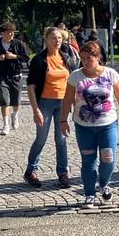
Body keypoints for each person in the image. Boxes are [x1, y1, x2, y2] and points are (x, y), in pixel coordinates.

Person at [61, 40, 119, 207]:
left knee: (108, 158)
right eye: (83, 58)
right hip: (84, 126)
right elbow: (67, 100)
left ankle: (104, 183)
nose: (86, 62)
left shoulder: (110, 74)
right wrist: (63, 120)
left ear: (98, 57)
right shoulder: (75, 76)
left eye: (89, 58)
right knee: (88, 160)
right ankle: (89, 194)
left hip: (107, 124)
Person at [24, 27, 79, 188]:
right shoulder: (39, 60)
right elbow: (31, 87)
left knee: (61, 139)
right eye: (54, 38)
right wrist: (36, 110)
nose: (57, 41)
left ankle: (63, 174)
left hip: (63, 103)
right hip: (45, 103)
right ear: (46, 40)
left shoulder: (66, 57)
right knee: (41, 139)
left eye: (59, 38)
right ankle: (30, 171)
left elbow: (72, 83)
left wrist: (75, 104)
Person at [0, 22, 30, 135]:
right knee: (4, 101)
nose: (11, 34)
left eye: (12, 32)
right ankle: (6, 124)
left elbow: (26, 57)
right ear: (2, 33)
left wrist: (15, 56)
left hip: (16, 76)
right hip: (2, 76)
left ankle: (15, 115)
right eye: (9, 32)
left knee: (16, 102)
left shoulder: (18, 44)